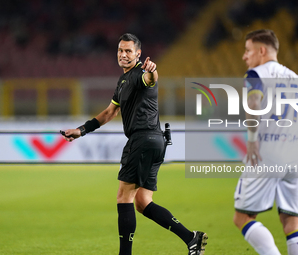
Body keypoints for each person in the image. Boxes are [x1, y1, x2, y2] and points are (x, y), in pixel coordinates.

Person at [61, 33, 208, 255]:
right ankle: (191, 238)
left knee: (124, 196)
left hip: (142, 139)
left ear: (138, 54)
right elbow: (110, 112)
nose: (123, 54)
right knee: (142, 201)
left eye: (128, 51)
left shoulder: (140, 74)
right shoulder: (122, 82)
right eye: (120, 50)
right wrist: (81, 130)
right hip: (156, 141)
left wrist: (152, 70)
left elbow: (151, 79)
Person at [233, 29, 298, 255]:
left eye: (248, 50)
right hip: (294, 157)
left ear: (262, 50)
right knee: (292, 222)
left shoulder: (256, 74)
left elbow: (254, 105)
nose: (245, 57)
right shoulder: (296, 78)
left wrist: (253, 140)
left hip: (266, 154)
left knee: (243, 217)